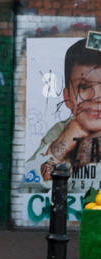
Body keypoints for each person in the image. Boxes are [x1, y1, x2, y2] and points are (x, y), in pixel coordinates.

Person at [27, 38, 101, 181]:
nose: (96, 97)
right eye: (84, 87)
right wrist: (59, 148)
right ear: (67, 99)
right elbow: (29, 185)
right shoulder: (60, 132)